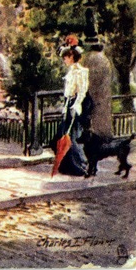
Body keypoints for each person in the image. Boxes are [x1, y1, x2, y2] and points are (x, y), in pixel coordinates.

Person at [53, 43, 93, 176]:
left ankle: (82, 165)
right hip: (69, 103)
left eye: (65, 57)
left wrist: (75, 106)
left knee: (73, 137)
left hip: (77, 104)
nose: (64, 60)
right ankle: (69, 166)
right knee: (62, 136)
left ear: (71, 56)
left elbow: (81, 91)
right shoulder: (71, 71)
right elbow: (68, 92)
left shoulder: (81, 72)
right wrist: (66, 106)